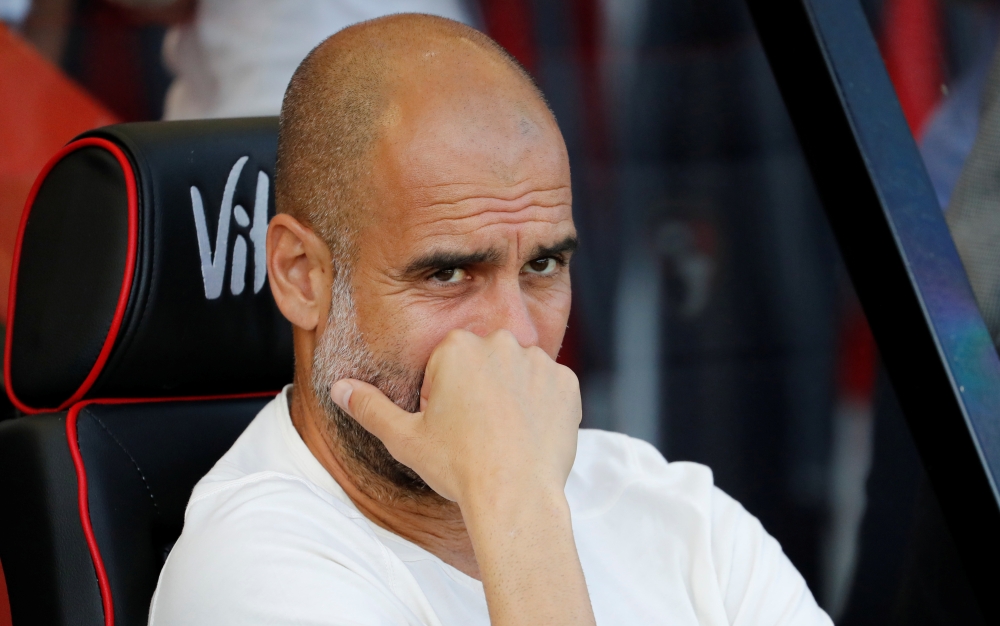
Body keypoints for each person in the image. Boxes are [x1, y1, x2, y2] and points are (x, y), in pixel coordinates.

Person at [148, 14, 832, 625]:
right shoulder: (253, 570)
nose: (517, 336)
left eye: (542, 267)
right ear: (302, 275)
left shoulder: (680, 516)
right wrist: (517, 501)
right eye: (448, 274)